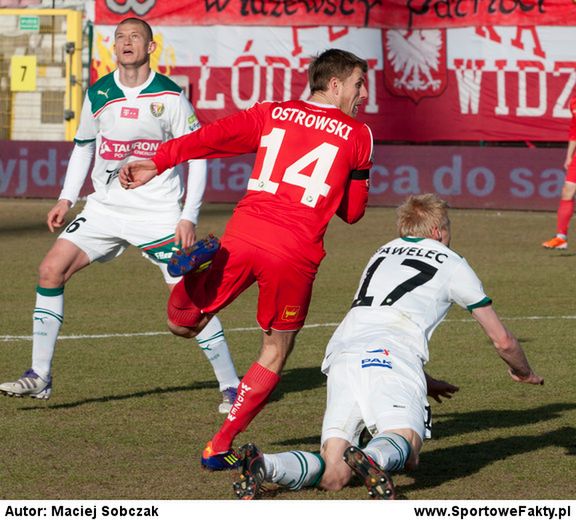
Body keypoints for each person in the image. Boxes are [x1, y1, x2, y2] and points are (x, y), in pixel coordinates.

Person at [119, 48, 373, 470]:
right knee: (274, 350)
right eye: (359, 84)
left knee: (182, 323)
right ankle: (219, 445)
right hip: (294, 253)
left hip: (243, 235)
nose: (363, 94)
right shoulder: (359, 135)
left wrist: (158, 161)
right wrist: (354, 174)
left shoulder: (271, 112)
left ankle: (186, 275)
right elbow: (353, 213)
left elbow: (210, 137)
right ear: (335, 85)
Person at [231, 193, 544, 500]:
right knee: (407, 443)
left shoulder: (382, 252)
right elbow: (502, 339)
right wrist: (524, 372)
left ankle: (266, 465)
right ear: (437, 232)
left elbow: (382, 319)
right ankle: (375, 459)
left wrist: (424, 379)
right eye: (448, 227)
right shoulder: (453, 264)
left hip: (344, 355)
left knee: (334, 473)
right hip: (392, 358)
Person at [0, 18, 240, 414]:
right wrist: (66, 198)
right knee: (50, 271)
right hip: (104, 208)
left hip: (159, 212)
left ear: (150, 47)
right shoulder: (99, 93)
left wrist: (188, 216)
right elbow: (83, 147)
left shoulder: (171, 96)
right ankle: (40, 376)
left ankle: (232, 387)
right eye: (121, 38)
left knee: (189, 301)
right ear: (114, 47)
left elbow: (197, 156)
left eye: (135, 37)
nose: (127, 43)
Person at [542, 95, 576, 249]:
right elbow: (574, 131)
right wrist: (569, 155)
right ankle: (561, 237)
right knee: (567, 191)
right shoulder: (574, 100)